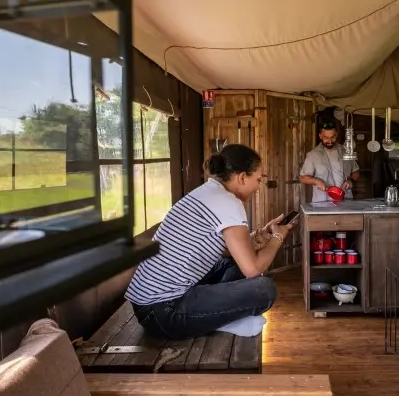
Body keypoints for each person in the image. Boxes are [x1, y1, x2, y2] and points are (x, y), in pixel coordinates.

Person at [125, 144, 294, 340]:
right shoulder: (229, 202)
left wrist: (260, 236)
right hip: (163, 311)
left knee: (233, 265)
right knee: (265, 289)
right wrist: (278, 237)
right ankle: (222, 320)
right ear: (242, 177)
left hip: (149, 305)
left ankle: (213, 314)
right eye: (258, 180)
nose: (258, 187)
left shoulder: (209, 192)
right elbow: (253, 269)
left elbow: (228, 251)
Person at [298, 121, 360, 203]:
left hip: (346, 200)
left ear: (336, 135)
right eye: (326, 137)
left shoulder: (345, 151)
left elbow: (356, 172)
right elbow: (302, 178)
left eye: (332, 137)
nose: (330, 141)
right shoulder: (313, 155)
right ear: (320, 136)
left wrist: (350, 181)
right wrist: (317, 181)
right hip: (323, 201)